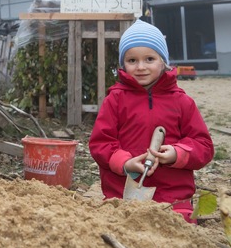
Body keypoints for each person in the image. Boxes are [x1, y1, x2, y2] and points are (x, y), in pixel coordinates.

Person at [88, 20, 214, 222]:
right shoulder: (115, 100)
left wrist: (177, 154)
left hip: (173, 197)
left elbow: (204, 146)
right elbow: (100, 143)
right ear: (123, 64)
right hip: (122, 195)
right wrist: (126, 162)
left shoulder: (181, 102)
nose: (140, 67)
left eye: (149, 59)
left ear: (163, 61)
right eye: (132, 61)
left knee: (180, 229)